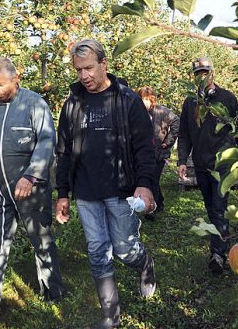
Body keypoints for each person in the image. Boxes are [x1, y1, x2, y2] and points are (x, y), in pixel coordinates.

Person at [55, 39, 157, 329]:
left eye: (88, 68)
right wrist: (63, 193)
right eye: (78, 70)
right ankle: (110, 315)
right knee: (98, 250)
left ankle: (145, 263)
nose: (84, 76)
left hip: (121, 190)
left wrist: (145, 184)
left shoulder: (127, 100)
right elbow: (63, 151)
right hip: (86, 191)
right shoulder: (73, 103)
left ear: (104, 64)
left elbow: (145, 147)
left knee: (124, 249)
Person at [0, 57, 66, 328]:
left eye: (1, 84)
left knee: (40, 239)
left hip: (29, 189)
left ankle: (52, 289)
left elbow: (47, 141)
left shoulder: (33, 103)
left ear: (16, 77)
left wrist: (31, 175)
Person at [176, 57, 238, 275]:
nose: (202, 76)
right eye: (198, 73)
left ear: (213, 73)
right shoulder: (191, 102)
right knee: (212, 208)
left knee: (219, 207)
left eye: (206, 72)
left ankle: (218, 255)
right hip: (202, 165)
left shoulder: (227, 98)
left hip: (223, 165)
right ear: (194, 77)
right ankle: (223, 243)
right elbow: (184, 133)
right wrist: (183, 161)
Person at [135, 86, 180, 221]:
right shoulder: (136, 112)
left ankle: (151, 210)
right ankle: (159, 202)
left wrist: (168, 141)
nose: (145, 102)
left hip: (158, 153)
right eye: (143, 99)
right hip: (143, 153)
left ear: (152, 100)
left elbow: (177, 121)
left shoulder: (161, 111)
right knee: (150, 179)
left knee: (153, 179)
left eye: (148, 99)